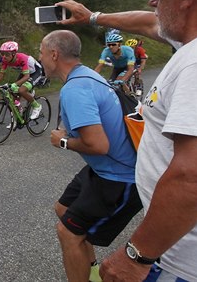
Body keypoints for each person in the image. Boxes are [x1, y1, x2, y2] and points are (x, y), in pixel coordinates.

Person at [58, 0, 197, 282]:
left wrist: (137, 254)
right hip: (184, 246)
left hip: (190, 262)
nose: (152, 1)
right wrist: (94, 18)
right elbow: (147, 23)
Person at [39, 30, 142, 282]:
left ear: (54, 54)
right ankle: (92, 270)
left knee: (68, 233)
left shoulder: (75, 89)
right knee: (63, 208)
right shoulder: (88, 74)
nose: (39, 58)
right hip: (103, 169)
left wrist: (62, 141)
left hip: (121, 177)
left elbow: (98, 145)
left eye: (41, 53)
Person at [0, 41, 43, 119]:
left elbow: (27, 76)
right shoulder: (5, 60)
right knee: (13, 93)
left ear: (14, 54)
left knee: (21, 90)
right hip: (25, 72)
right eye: (2, 53)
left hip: (35, 72)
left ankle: (37, 106)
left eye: (7, 54)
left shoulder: (22, 58)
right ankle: (18, 116)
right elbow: (1, 75)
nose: (4, 57)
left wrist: (15, 84)